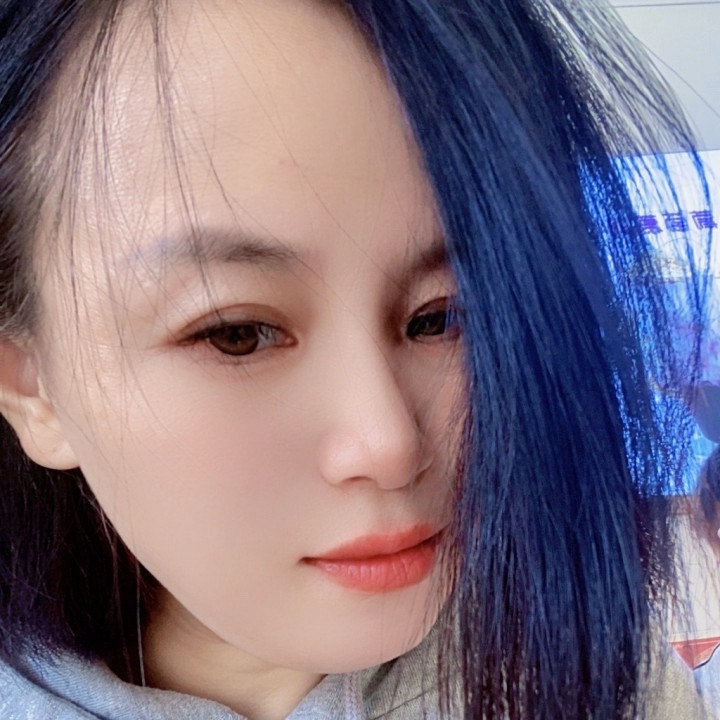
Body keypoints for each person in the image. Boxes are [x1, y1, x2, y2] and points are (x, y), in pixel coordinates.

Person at [0, 1, 713, 718]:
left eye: (444, 317)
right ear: (28, 383)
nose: (390, 445)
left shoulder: (605, 679)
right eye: (236, 333)